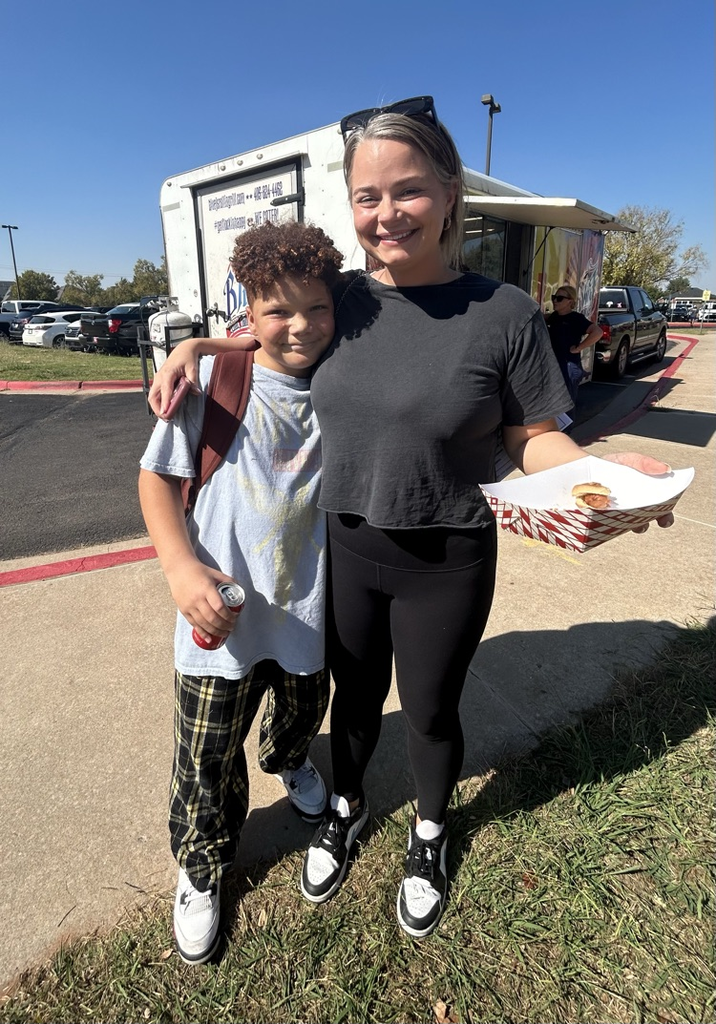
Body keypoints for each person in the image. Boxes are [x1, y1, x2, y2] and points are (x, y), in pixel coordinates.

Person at [148, 95, 674, 940]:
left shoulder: (503, 313)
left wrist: (607, 473)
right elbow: (275, 332)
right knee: (353, 704)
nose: (386, 213)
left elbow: (534, 439)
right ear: (349, 206)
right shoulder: (344, 300)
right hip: (345, 552)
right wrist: (196, 348)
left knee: (428, 709)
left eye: (407, 191)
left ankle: (429, 834)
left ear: (450, 191)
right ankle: (347, 808)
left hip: (448, 555)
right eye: (367, 197)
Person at [138, 220, 344, 964]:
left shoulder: (344, 376)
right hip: (217, 616)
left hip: (308, 604)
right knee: (205, 755)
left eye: (317, 308)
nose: (300, 326)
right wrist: (180, 569)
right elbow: (157, 481)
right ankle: (201, 867)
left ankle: (289, 759)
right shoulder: (215, 384)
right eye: (278, 311)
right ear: (247, 315)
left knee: (300, 707)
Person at [546, 284, 603, 410]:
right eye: (554, 297)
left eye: (559, 298)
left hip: (569, 366)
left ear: (570, 301)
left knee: (565, 406)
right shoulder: (554, 317)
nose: (555, 301)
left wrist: (579, 348)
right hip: (554, 366)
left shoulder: (576, 319)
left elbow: (597, 332)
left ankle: (566, 430)